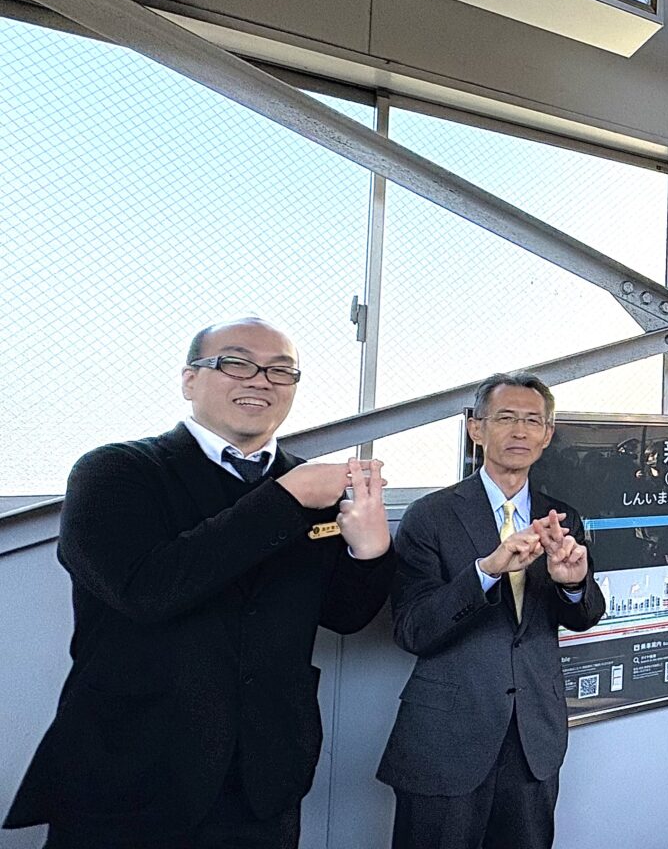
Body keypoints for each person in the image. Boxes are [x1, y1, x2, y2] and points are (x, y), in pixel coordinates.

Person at [4, 317, 395, 849]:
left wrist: (369, 551)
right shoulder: (116, 472)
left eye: (281, 370)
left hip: (263, 779)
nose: (261, 380)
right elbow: (144, 591)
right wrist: (285, 499)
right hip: (129, 775)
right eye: (236, 363)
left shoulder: (312, 486)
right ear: (189, 381)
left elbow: (343, 615)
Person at [377, 372, 605, 849]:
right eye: (505, 418)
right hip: (446, 738)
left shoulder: (561, 516)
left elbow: (584, 614)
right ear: (475, 429)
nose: (519, 431)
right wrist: (485, 571)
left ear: (547, 435)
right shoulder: (430, 515)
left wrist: (573, 584)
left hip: (532, 739)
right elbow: (412, 630)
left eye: (532, 421)